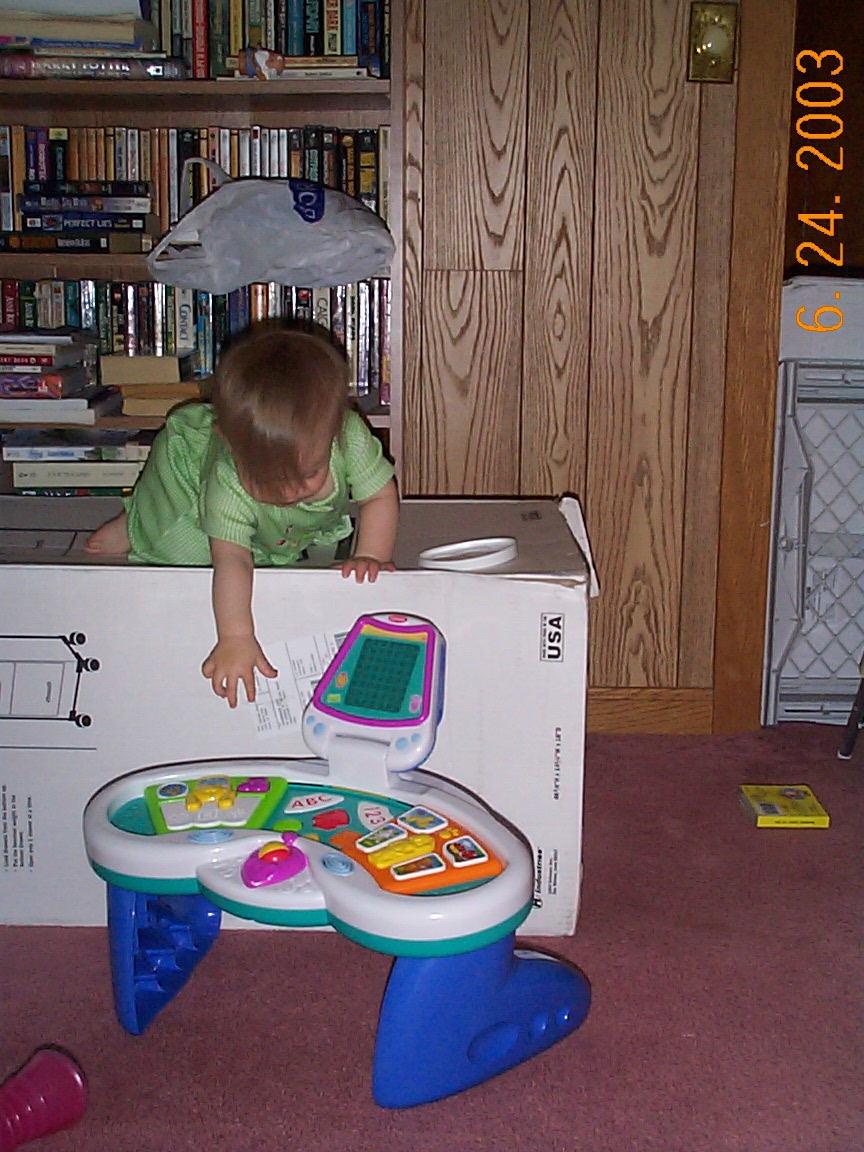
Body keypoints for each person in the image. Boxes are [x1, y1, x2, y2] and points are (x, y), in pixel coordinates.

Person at [85, 322, 399, 708]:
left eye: (308, 475)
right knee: (184, 553)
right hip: (187, 491)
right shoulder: (226, 480)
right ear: (232, 449)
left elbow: (379, 496)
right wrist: (235, 637)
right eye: (268, 479)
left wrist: (371, 555)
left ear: (335, 433)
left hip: (273, 528)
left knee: (268, 550)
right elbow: (232, 559)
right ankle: (135, 525)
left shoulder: (349, 435)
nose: (289, 494)